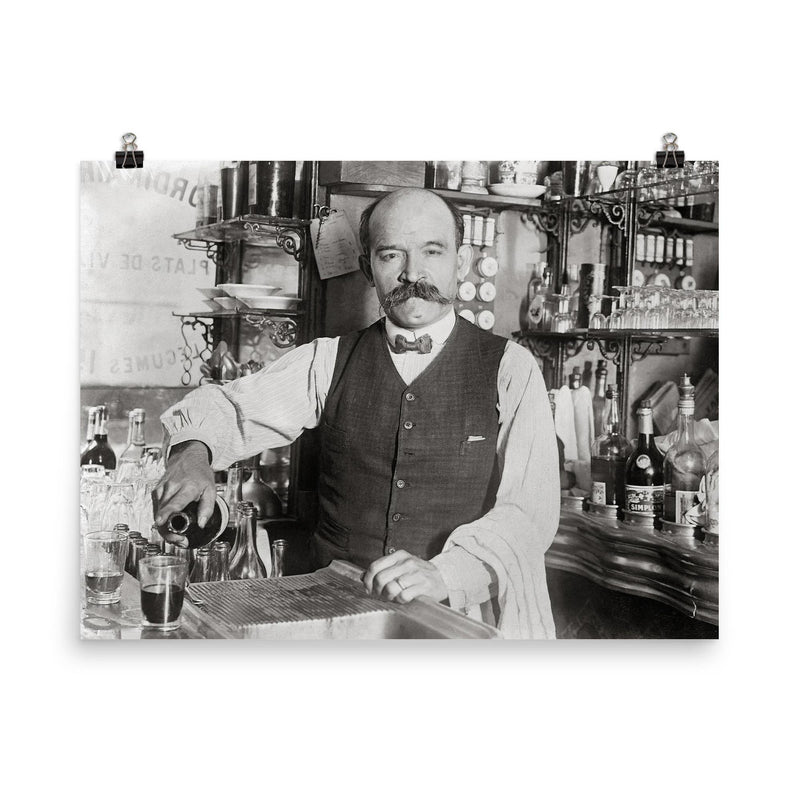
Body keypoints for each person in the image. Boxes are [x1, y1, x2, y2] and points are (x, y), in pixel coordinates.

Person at [156, 188, 560, 638]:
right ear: (369, 267)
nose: (413, 272)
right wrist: (193, 450)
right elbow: (228, 407)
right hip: (333, 616)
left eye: (433, 250)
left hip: (451, 622)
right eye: (391, 255)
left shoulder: (510, 367)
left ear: (460, 262)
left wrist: (446, 573)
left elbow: (528, 513)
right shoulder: (327, 360)